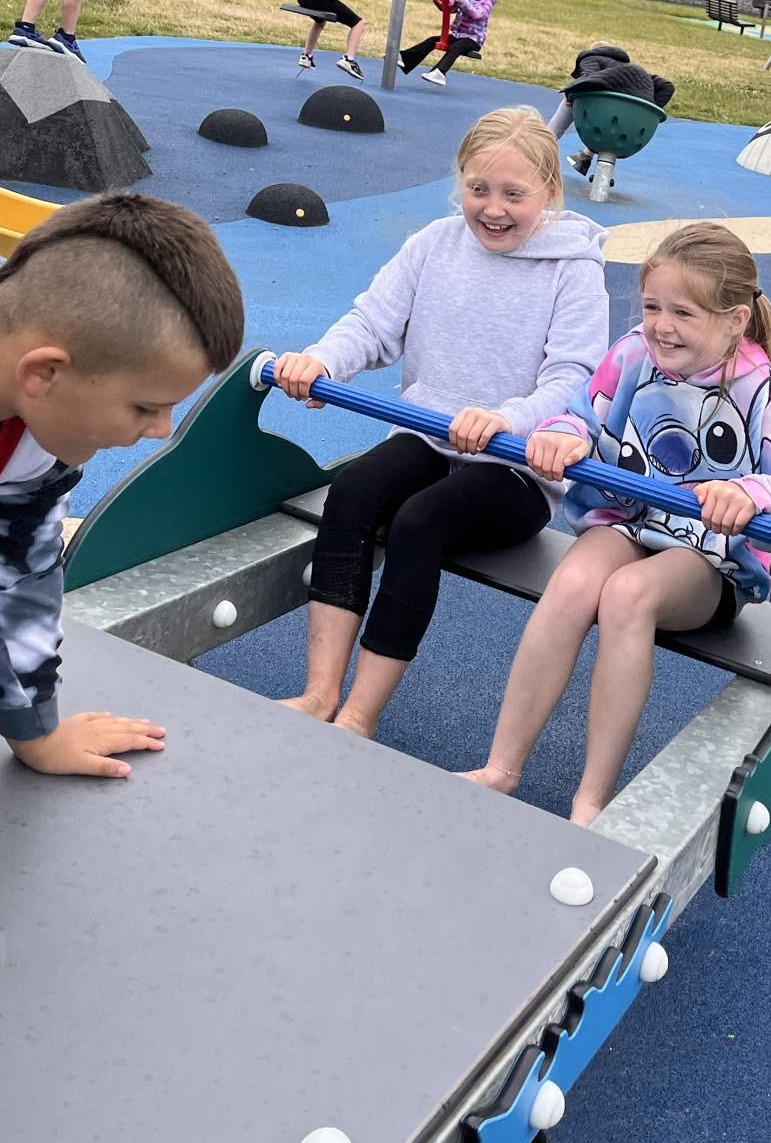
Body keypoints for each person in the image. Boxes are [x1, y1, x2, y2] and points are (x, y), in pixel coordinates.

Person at [0, 195, 245, 807]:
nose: (162, 429)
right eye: (145, 406)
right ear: (44, 374)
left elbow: (17, 568)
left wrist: (35, 730)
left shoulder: (37, 392)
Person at [270, 107, 609, 739]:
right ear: (460, 182)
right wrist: (322, 361)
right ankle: (319, 693)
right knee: (352, 491)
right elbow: (372, 323)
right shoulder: (434, 245)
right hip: (429, 435)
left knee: (419, 522)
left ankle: (360, 714)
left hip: (516, 469)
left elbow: (574, 377)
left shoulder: (574, 269)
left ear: (549, 191)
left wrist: (507, 419)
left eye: (514, 194)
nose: (493, 209)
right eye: (478, 189)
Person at [463, 222, 771, 824]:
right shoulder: (630, 355)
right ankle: (501, 768)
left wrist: (747, 492)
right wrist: (562, 436)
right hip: (626, 521)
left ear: (735, 321)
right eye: (652, 307)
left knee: (627, 595)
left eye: (683, 313)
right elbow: (582, 415)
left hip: (708, 558)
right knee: (573, 583)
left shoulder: (761, 391)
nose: (661, 326)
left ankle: (591, 799)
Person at [547, 42, 676, 178]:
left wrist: (570, 95)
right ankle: (585, 156)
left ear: (595, 52)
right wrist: (649, 109)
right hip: (633, 128)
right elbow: (667, 87)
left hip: (606, 121)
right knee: (608, 115)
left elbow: (588, 79)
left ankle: (546, 140)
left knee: (573, 100)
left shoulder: (591, 58)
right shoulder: (632, 70)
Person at [399, 0, 499, 87]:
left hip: (473, 40)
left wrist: (463, 2)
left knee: (456, 46)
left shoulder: (487, 2)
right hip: (458, 36)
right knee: (433, 40)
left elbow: (477, 14)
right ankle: (405, 58)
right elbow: (449, 7)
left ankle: (440, 72)